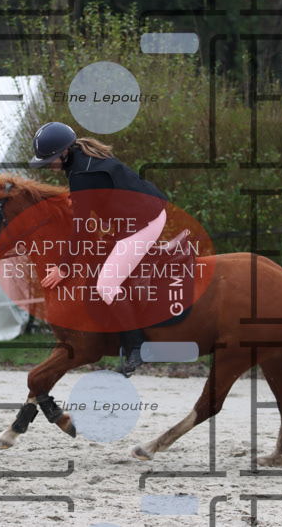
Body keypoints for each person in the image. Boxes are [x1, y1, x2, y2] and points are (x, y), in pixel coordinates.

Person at [30, 121, 168, 376]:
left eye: (50, 159)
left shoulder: (81, 173)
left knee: (106, 284)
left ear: (64, 152)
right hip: (137, 216)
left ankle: (138, 348)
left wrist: (63, 268)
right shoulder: (81, 160)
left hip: (146, 221)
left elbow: (80, 229)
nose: (48, 164)